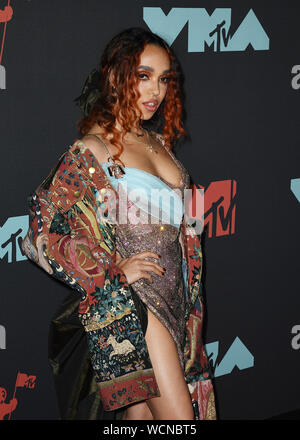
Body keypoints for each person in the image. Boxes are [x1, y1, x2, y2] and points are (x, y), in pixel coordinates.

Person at [21, 27, 217, 421]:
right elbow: (38, 234)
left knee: (140, 419)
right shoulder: (91, 149)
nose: (155, 91)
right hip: (135, 307)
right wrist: (108, 274)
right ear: (115, 77)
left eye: (163, 80)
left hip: (179, 301)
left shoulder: (159, 143)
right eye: (143, 76)